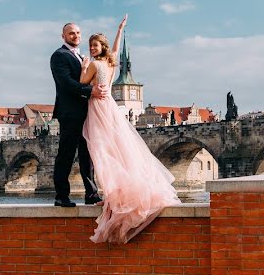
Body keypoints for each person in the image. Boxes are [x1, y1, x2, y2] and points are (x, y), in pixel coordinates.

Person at [81, 14, 180, 243]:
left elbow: (82, 83)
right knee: (119, 149)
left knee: (101, 151)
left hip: (97, 108)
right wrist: (119, 29)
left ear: (100, 48)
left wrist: (84, 66)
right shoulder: (110, 62)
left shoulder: (96, 64)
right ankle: (117, 191)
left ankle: (111, 194)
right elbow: (115, 50)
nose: (92, 48)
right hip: (111, 108)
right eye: (91, 46)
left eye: (94, 45)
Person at [50, 22, 107, 207]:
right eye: (71, 33)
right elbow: (66, 83)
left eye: (78, 33)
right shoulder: (59, 56)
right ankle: (61, 196)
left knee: (87, 154)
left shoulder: (83, 57)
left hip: (87, 112)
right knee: (66, 153)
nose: (75, 36)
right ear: (63, 36)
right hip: (70, 113)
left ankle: (91, 195)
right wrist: (91, 91)